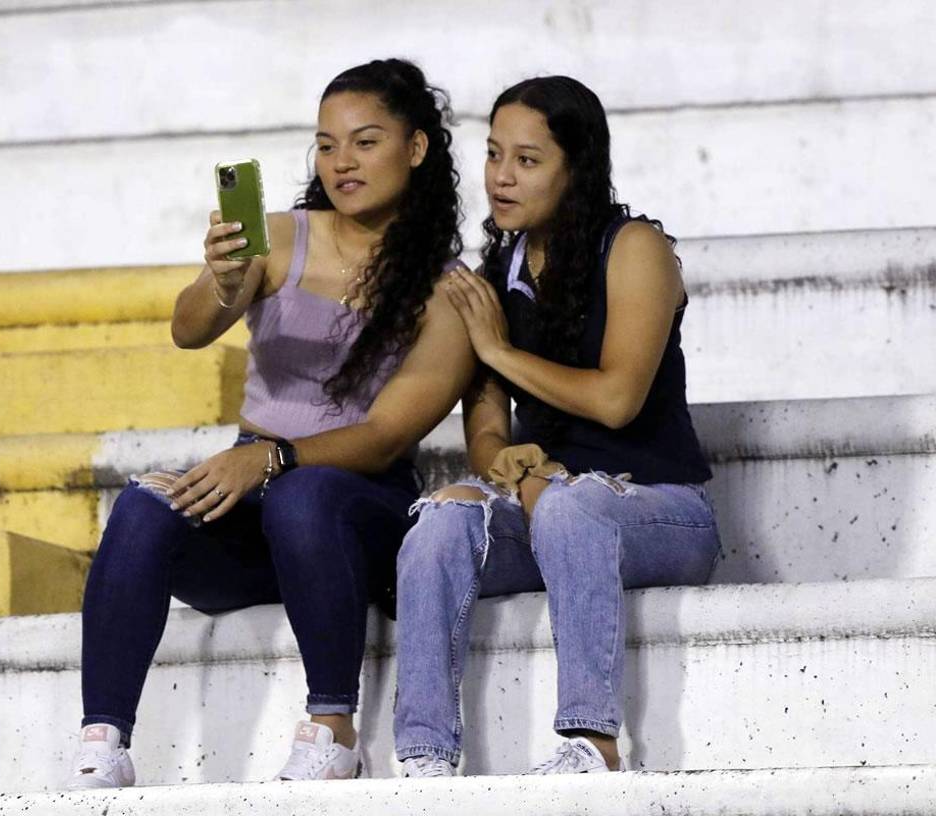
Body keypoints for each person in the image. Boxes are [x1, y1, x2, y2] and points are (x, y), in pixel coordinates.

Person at [64, 58, 474, 789]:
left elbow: (384, 437)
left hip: (358, 512)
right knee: (144, 505)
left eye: (365, 142)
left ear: (415, 148)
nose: (342, 162)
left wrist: (273, 458)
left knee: (303, 497)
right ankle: (104, 741)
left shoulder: (446, 289)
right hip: (261, 496)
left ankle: (333, 731)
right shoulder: (280, 237)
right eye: (327, 144)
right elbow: (188, 330)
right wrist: (222, 283)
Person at [392, 76, 721, 778]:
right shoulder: (496, 274)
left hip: (664, 513)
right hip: (552, 509)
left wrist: (498, 351)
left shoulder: (635, 247)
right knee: (442, 520)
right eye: (493, 154)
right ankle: (424, 755)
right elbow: (486, 434)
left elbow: (617, 400)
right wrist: (509, 465)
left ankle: (594, 742)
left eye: (527, 160)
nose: (501, 177)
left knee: (574, 508)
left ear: (576, 169)